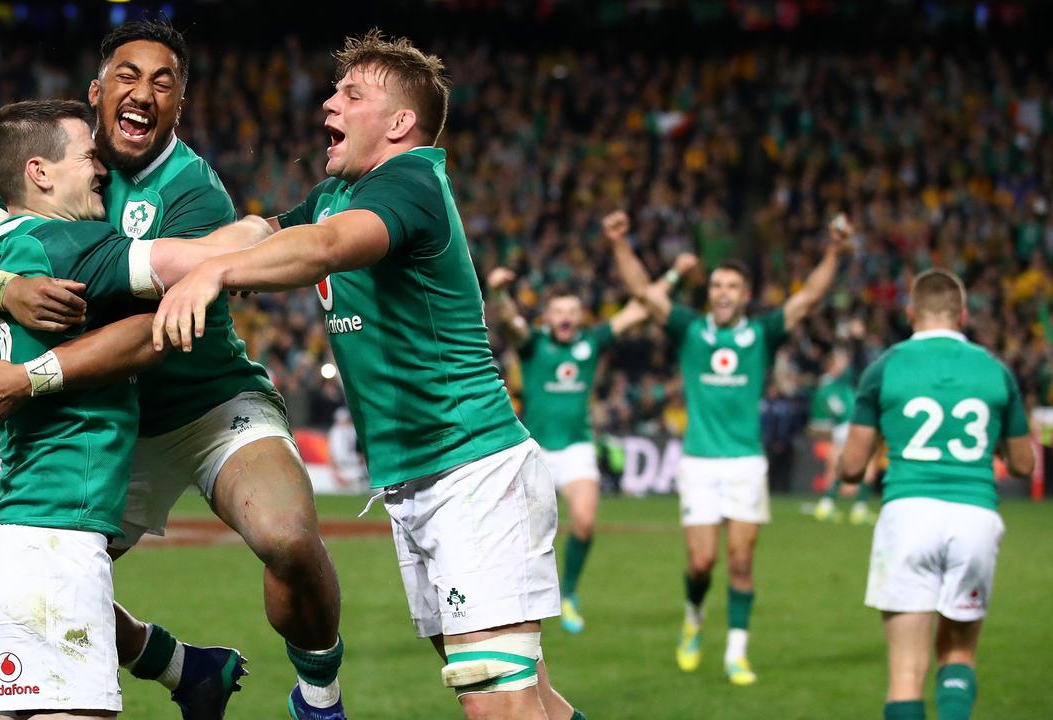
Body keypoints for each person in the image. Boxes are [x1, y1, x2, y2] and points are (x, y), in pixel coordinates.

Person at [151, 29, 586, 720]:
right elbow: (262, 232)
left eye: (352, 94)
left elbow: (322, 249)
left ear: (400, 123)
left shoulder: (410, 182)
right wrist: (145, 261)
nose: (328, 102)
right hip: (419, 482)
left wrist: (214, 274)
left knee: (497, 704)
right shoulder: (335, 194)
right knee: (520, 697)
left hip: (473, 472)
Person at [0, 21, 347, 718]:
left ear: (181, 102)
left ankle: (320, 698)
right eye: (127, 75)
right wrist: (6, 288)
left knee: (288, 537)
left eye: (163, 81)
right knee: (53, 564)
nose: (142, 92)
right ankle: (184, 669)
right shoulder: (58, 165)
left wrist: (256, 230)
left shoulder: (190, 189)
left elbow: (166, 330)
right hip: (114, 421)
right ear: (96, 91)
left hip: (207, 401)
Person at [0, 98, 274, 719]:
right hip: (50, 547)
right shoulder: (70, 245)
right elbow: (192, 273)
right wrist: (258, 229)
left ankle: (184, 667)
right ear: (40, 173)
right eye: (87, 157)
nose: (102, 169)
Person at [609, 209, 853, 685]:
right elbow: (642, 292)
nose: (722, 293)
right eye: (716, 286)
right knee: (702, 562)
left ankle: (737, 653)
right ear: (709, 293)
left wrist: (835, 251)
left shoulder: (761, 333)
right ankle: (693, 617)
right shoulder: (689, 328)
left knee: (741, 562)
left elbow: (810, 297)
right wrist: (620, 242)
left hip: (745, 462)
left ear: (745, 296)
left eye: (732, 287)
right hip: (699, 461)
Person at [838, 269, 1033, 720]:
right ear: (963, 316)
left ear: (911, 314)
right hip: (975, 515)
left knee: (906, 674)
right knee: (959, 656)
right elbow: (1024, 464)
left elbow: (851, 468)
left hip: (908, 513)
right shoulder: (995, 370)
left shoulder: (884, 367)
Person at [485, 250, 694, 634]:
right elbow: (511, 323)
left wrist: (675, 275)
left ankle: (571, 595)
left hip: (578, 445)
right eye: (558, 310)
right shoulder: (533, 344)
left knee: (584, 523)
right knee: (525, 534)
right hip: (536, 448)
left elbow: (639, 310)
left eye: (572, 311)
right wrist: (499, 293)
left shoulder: (591, 342)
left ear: (580, 317)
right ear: (548, 316)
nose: (565, 317)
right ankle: (521, 600)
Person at [809, 348, 876, 524]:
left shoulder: (840, 384)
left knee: (848, 468)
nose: (845, 365)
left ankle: (826, 504)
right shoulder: (828, 388)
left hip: (845, 428)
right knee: (866, 467)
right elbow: (827, 416)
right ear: (832, 365)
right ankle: (858, 509)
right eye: (840, 361)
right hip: (847, 428)